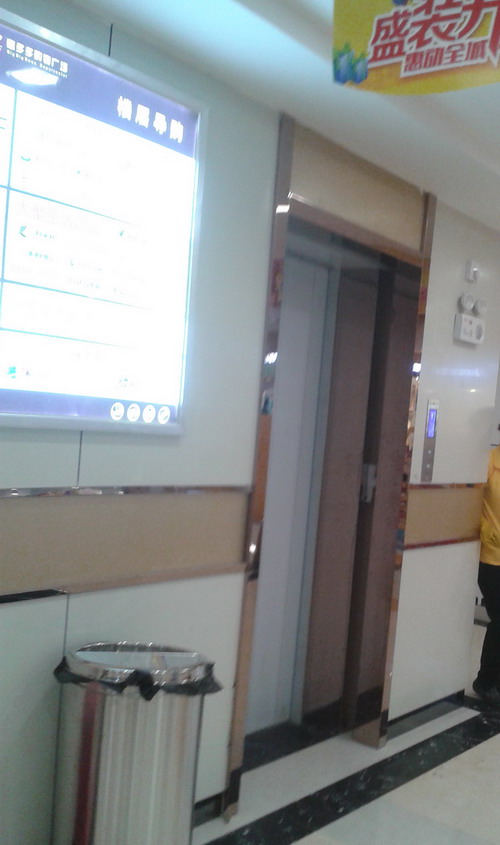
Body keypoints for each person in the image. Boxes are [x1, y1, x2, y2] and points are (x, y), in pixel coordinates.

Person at [474, 442, 500, 705]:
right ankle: (485, 682)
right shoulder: (488, 461)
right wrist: (485, 528)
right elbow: (468, 501)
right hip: (491, 557)